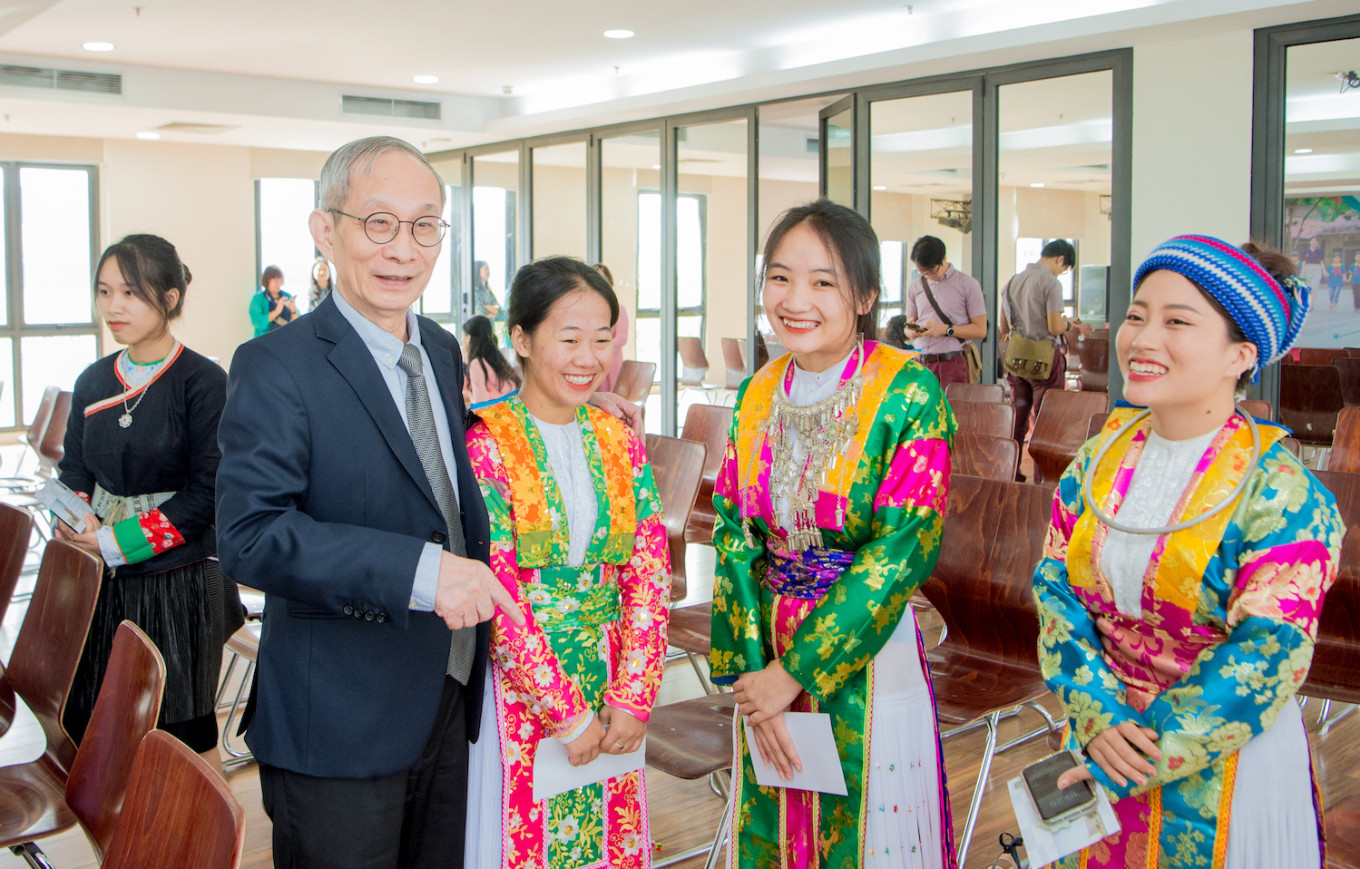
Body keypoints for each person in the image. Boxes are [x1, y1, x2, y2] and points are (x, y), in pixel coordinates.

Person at [217, 136, 640, 869]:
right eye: (378, 222)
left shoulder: (441, 349)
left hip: (449, 703)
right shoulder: (275, 365)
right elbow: (251, 535)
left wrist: (570, 402)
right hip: (341, 720)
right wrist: (420, 570)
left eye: (424, 225)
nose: (403, 248)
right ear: (326, 230)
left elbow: (447, 481)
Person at [1035, 235, 1340, 868]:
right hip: (1102, 727)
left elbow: (1267, 653)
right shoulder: (1098, 459)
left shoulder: (1280, 491)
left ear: (1241, 355)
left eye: (1178, 321)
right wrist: (1094, 710)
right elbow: (1054, 582)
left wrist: (1140, 745)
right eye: (1138, 315)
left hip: (1219, 753)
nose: (1143, 339)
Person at [709, 200, 957, 868]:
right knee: (775, 821)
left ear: (866, 294)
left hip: (865, 647)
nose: (796, 299)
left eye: (823, 281)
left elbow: (900, 550)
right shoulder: (758, 390)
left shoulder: (907, 392)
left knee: (865, 827)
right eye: (781, 277)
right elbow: (734, 532)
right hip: (767, 646)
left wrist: (796, 671)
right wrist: (755, 678)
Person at [464, 256, 670, 869]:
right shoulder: (487, 441)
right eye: (570, 338)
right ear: (522, 340)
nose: (589, 358)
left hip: (611, 678)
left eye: (602, 340)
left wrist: (634, 697)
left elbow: (649, 571)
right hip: (522, 688)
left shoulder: (618, 438)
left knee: (610, 834)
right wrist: (567, 715)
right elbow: (497, 591)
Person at [57, 233, 239, 765]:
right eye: (105, 291)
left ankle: (185, 846)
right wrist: (74, 520)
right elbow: (74, 470)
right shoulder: (93, 381)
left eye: (131, 293)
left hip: (177, 580)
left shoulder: (203, 382)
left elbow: (208, 492)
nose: (114, 307)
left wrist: (114, 541)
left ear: (169, 298)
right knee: (100, 729)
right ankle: (119, 846)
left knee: (175, 739)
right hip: (102, 579)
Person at [998, 239, 1091, 449]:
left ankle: (1012, 473)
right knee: (1046, 420)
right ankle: (1042, 479)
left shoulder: (1011, 282)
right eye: (1064, 269)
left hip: (1017, 360)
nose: (1060, 273)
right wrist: (1069, 323)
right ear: (1060, 259)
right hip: (1045, 361)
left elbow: (1003, 328)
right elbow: (1055, 327)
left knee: (1017, 420)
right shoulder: (1051, 283)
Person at [904, 234, 987, 390]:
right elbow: (909, 322)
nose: (928, 276)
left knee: (953, 413)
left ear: (944, 259)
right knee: (921, 414)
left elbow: (981, 330)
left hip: (952, 363)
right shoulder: (915, 286)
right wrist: (911, 332)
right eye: (923, 273)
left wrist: (946, 330)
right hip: (920, 363)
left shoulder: (968, 285)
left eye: (932, 272)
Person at [462, 314, 519, 408]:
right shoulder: (496, 358)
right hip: (516, 412)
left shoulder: (477, 364)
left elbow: (480, 404)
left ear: (468, 338)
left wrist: (468, 395)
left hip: (501, 416)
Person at [594, 262, 631, 393]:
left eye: (602, 279)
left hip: (612, 362)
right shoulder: (588, 312)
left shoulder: (619, 309)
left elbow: (622, 337)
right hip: (593, 361)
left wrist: (604, 347)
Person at [249, 264, 295, 336]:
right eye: (275, 282)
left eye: (280, 281)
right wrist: (277, 311)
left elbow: (297, 322)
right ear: (267, 281)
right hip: (265, 341)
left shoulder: (287, 296)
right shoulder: (258, 299)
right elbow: (257, 322)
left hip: (286, 338)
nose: (278, 284)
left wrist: (293, 309)